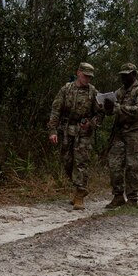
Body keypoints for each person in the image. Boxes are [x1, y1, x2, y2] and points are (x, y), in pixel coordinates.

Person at [47, 62, 105, 210]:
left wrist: (91, 124)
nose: (87, 79)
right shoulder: (66, 89)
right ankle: (78, 189)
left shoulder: (93, 92)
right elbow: (56, 110)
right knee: (67, 161)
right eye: (85, 76)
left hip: (83, 132)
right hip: (66, 130)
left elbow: (100, 113)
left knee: (81, 163)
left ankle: (79, 195)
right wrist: (52, 131)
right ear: (78, 73)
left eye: (90, 77)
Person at [102, 62, 138, 208]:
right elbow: (112, 111)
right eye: (122, 75)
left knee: (133, 166)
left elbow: (137, 110)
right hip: (120, 132)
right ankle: (118, 196)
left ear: (134, 75)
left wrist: (117, 107)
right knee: (114, 163)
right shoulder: (120, 92)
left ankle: (132, 199)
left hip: (136, 132)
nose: (123, 78)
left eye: (127, 75)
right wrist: (107, 107)